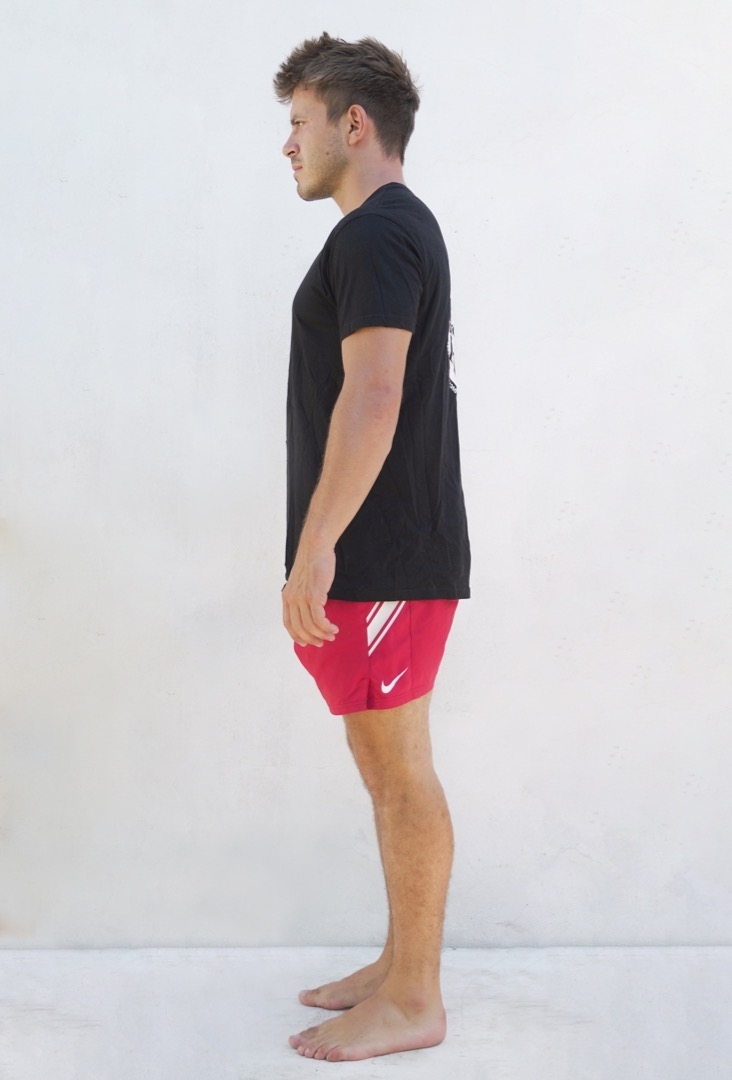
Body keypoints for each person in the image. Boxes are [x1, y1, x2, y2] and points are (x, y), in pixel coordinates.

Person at [274, 32, 471, 1062]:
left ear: (354, 125)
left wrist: (317, 546)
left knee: (399, 772)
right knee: (385, 762)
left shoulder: (377, 234)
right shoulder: (391, 230)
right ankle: (400, 966)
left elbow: (377, 393)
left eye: (299, 122)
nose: (288, 144)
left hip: (385, 554)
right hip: (390, 552)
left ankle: (415, 1000)